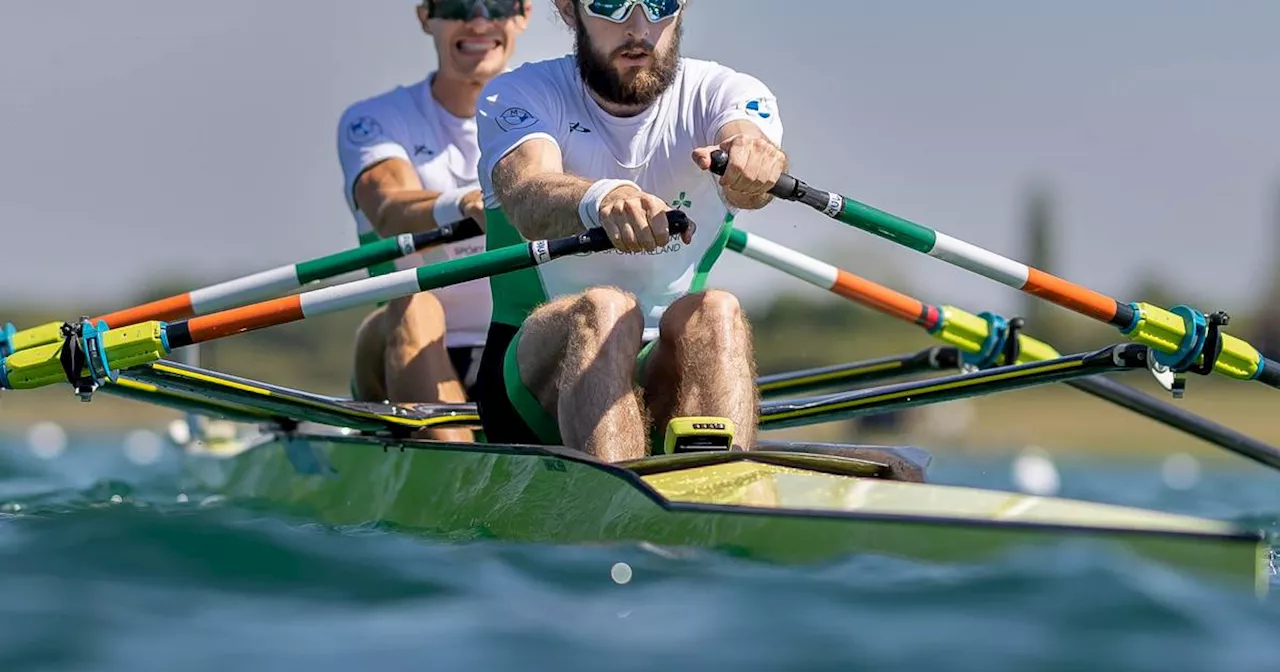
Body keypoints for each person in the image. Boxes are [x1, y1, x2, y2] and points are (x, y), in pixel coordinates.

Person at [474, 0, 788, 461]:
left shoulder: (726, 91)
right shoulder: (519, 94)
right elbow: (527, 194)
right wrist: (601, 198)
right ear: (567, 9)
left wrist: (756, 162)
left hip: (664, 363)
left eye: (660, 4)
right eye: (611, 4)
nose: (638, 29)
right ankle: (615, 516)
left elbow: (748, 172)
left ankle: (723, 488)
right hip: (529, 379)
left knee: (718, 310)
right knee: (606, 307)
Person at [336, 0, 532, 442]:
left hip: (521, 349)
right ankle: (455, 478)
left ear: (523, 15)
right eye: (458, 4)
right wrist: (463, 204)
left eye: (498, 5)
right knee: (416, 302)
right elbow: (387, 208)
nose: (479, 20)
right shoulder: (377, 120)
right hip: (406, 350)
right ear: (426, 16)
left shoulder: (554, 114)